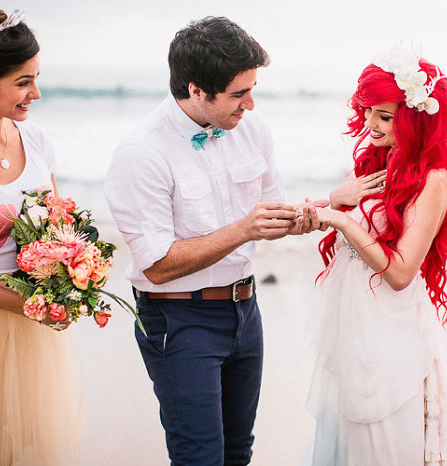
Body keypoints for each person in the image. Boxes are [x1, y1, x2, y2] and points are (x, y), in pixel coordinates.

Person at [104, 16, 325, 466]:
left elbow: (267, 213)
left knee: (238, 452)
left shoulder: (253, 130)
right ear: (196, 90)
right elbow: (157, 264)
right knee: (199, 457)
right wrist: (244, 228)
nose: (251, 104)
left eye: (252, 88)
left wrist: (315, 214)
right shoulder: (141, 153)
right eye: (239, 93)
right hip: (179, 318)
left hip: (246, 310)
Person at [304, 48, 447, 465]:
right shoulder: (379, 163)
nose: (370, 124)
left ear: (414, 118)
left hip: (391, 326)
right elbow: (327, 215)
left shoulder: (434, 178)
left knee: (385, 436)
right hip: (354, 319)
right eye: (369, 112)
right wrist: (335, 203)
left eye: (385, 116)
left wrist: (343, 222)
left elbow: (401, 273)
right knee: (347, 438)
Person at [0, 2, 82, 465]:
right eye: (22, 82)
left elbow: (60, 225)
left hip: (35, 331)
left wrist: (75, 270)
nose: (36, 93)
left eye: (36, 77)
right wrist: (24, 303)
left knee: (30, 449)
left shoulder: (35, 140)